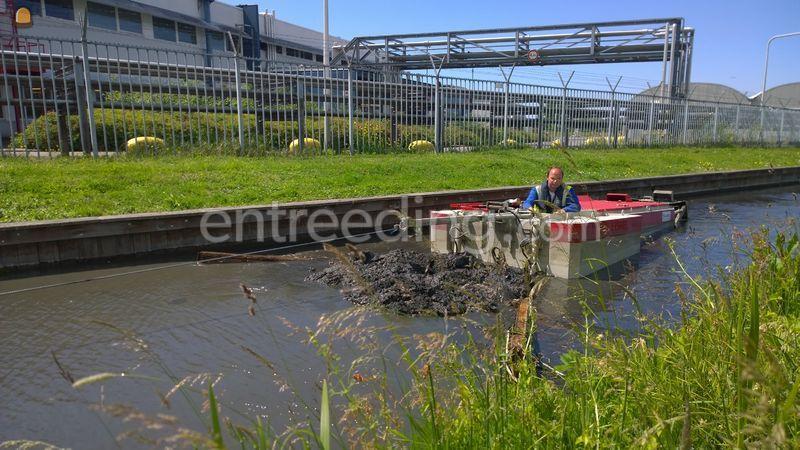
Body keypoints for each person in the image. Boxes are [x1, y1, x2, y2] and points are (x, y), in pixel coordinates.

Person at [515, 166, 581, 213]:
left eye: (559, 179)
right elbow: (527, 203)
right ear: (547, 177)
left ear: (562, 179)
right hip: (541, 221)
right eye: (553, 178)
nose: (555, 181)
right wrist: (529, 208)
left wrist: (564, 210)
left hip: (559, 222)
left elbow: (576, 206)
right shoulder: (537, 190)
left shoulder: (568, 190)